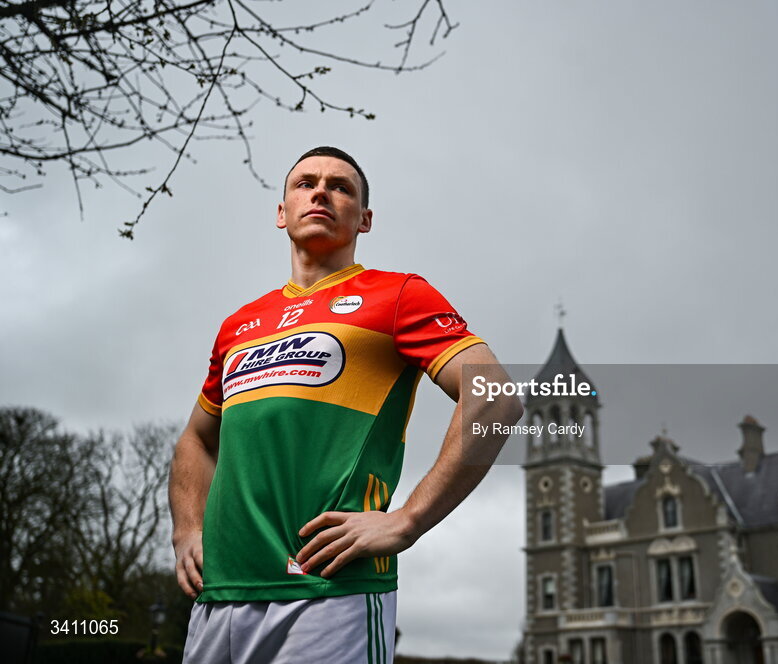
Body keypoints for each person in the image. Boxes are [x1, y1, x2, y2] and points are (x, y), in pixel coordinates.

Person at [169, 146, 522, 664]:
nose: (320, 191)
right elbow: (197, 439)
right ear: (281, 212)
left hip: (328, 595)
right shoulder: (238, 324)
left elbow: (496, 397)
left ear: (365, 219)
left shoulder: (400, 295)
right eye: (305, 182)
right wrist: (187, 529)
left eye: (341, 187)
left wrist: (408, 520)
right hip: (219, 595)